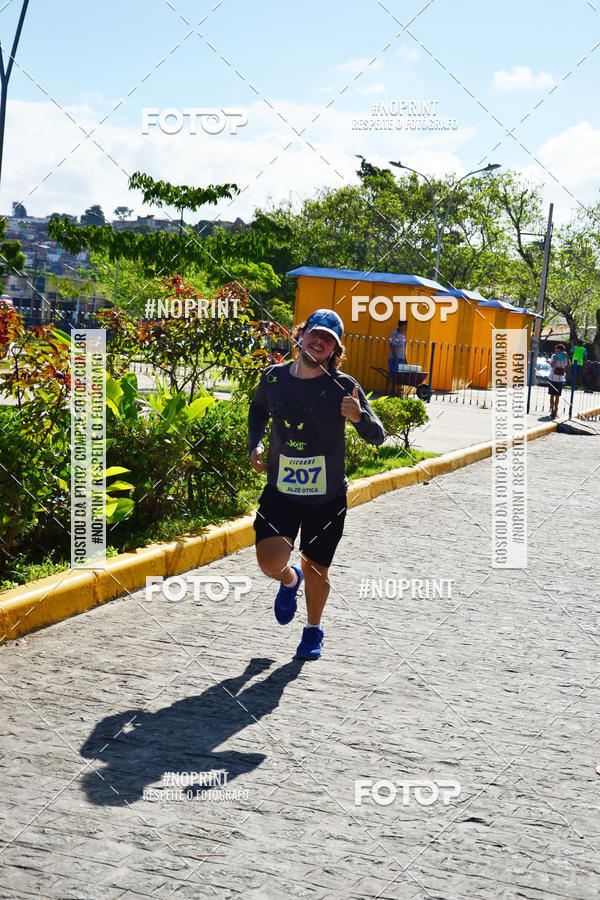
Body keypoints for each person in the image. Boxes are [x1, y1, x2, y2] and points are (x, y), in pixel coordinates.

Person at [248, 308, 385, 661]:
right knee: (268, 562)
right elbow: (258, 410)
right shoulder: (273, 378)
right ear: (301, 335)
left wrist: (358, 417)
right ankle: (289, 580)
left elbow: (378, 436)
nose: (319, 341)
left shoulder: (343, 385)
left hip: (326, 498)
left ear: (335, 350)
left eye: (329, 339)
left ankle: (312, 629)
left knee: (317, 566)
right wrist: (256, 444)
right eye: (315, 333)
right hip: (281, 490)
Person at [548, 343, 569, 419]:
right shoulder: (553, 356)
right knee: (552, 395)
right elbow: (552, 365)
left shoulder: (564, 357)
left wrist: (567, 356)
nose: (556, 352)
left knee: (557, 396)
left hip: (560, 379)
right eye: (556, 351)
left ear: (562, 351)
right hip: (552, 378)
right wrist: (556, 358)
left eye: (558, 351)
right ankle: (552, 410)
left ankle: (555, 410)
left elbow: (569, 365)